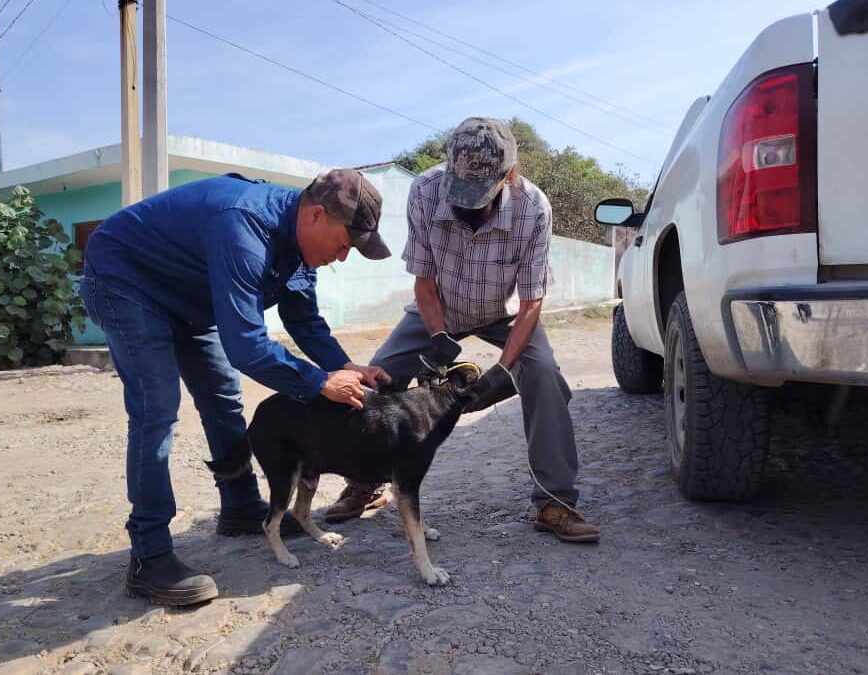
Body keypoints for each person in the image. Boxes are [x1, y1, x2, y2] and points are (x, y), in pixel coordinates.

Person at [79, 169, 392, 605]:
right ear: (316, 215)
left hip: (191, 298)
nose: (342, 257)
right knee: (156, 408)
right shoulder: (243, 227)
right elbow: (246, 346)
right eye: (344, 244)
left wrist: (345, 366)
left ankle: (241, 507)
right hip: (126, 280)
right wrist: (319, 382)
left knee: (223, 397)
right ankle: (149, 557)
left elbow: (303, 320)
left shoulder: (300, 247)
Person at [325, 118, 600, 543]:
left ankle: (554, 501)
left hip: (506, 315)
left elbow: (531, 304)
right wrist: (437, 336)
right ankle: (365, 483)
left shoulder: (534, 208)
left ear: (508, 176)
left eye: (480, 195)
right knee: (377, 378)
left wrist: (502, 370)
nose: (467, 207)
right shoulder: (425, 190)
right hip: (439, 307)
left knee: (544, 375)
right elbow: (424, 281)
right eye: (461, 192)